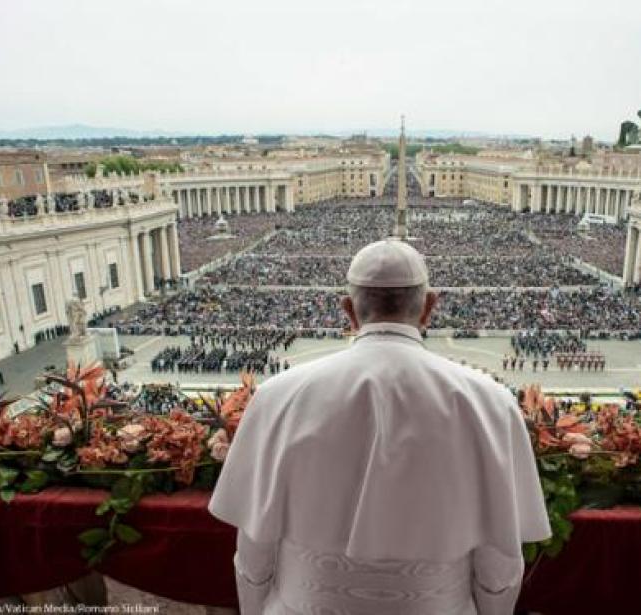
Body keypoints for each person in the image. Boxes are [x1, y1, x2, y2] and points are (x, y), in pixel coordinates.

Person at [209, 238, 550, 615]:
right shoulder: (491, 402)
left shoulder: (277, 396)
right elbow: (500, 559)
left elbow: (254, 549)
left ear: (348, 310)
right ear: (429, 308)